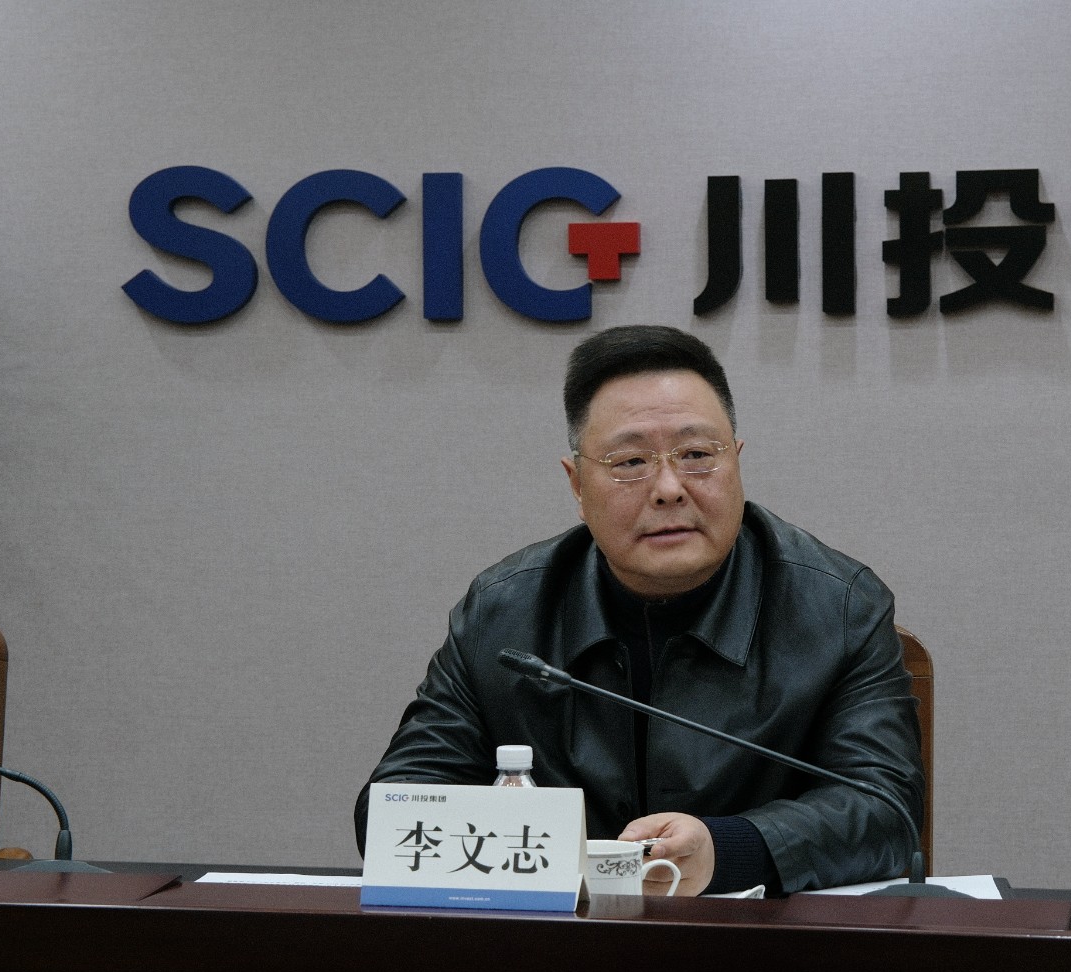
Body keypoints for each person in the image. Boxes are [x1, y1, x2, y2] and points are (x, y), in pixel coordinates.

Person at [355, 325, 922, 895]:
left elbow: (886, 809)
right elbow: (396, 806)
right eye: (630, 462)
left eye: (697, 455)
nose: (669, 488)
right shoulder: (504, 613)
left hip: (759, 941)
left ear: (737, 462)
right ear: (577, 485)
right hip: (559, 941)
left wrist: (727, 850)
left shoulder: (840, 608)